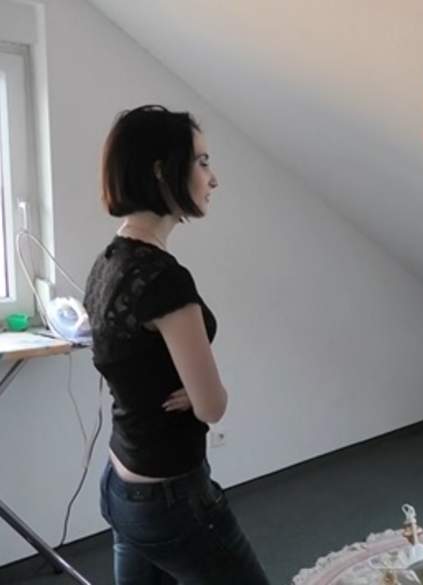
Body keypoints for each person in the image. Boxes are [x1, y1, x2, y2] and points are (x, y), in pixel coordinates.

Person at [83, 105, 271, 585]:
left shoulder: (107, 263)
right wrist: (208, 390)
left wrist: (191, 389)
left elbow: (132, 366)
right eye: (202, 162)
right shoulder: (165, 280)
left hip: (120, 485)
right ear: (162, 171)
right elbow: (213, 407)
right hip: (170, 500)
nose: (214, 179)